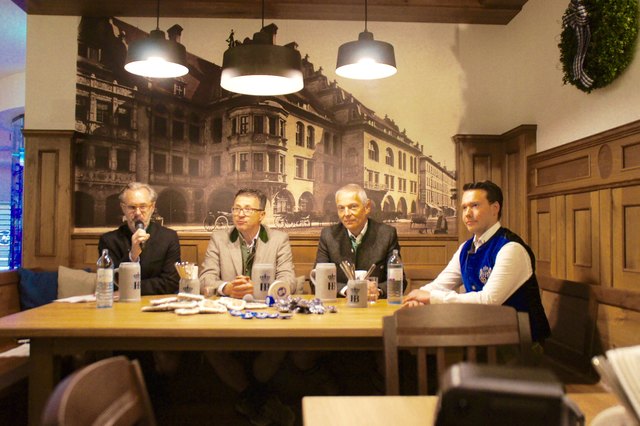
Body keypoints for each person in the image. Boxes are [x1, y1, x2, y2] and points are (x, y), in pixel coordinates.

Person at [403, 180, 551, 344]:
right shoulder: (465, 248)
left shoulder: (511, 248)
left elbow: (488, 301)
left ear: (495, 208)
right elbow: (440, 284)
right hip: (483, 336)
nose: (467, 213)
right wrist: (417, 297)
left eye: (474, 206)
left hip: (518, 344)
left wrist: (431, 298)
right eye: (464, 207)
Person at [199, 188, 296, 426]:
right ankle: (264, 401)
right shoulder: (220, 238)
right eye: (236, 208)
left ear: (261, 215)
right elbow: (205, 279)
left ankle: (252, 399)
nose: (240, 214)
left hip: (266, 313)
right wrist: (226, 288)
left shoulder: (278, 239)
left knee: (281, 343)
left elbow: (289, 280)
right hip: (227, 315)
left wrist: (262, 289)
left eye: (247, 209)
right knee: (209, 347)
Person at [315, 183, 406, 298]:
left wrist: (377, 291)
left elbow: (399, 281)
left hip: (374, 307)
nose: (346, 214)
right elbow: (318, 281)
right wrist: (348, 290)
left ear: (367, 207)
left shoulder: (387, 234)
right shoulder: (328, 236)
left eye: (353, 207)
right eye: (341, 208)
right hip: (340, 308)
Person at [98, 182, 180, 295]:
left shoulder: (169, 237)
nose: (137, 213)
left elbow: (171, 282)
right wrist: (132, 255)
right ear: (123, 208)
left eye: (143, 206)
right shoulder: (108, 241)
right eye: (132, 207)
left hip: (156, 303)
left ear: (152, 207)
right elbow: (110, 282)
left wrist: (132, 288)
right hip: (122, 306)